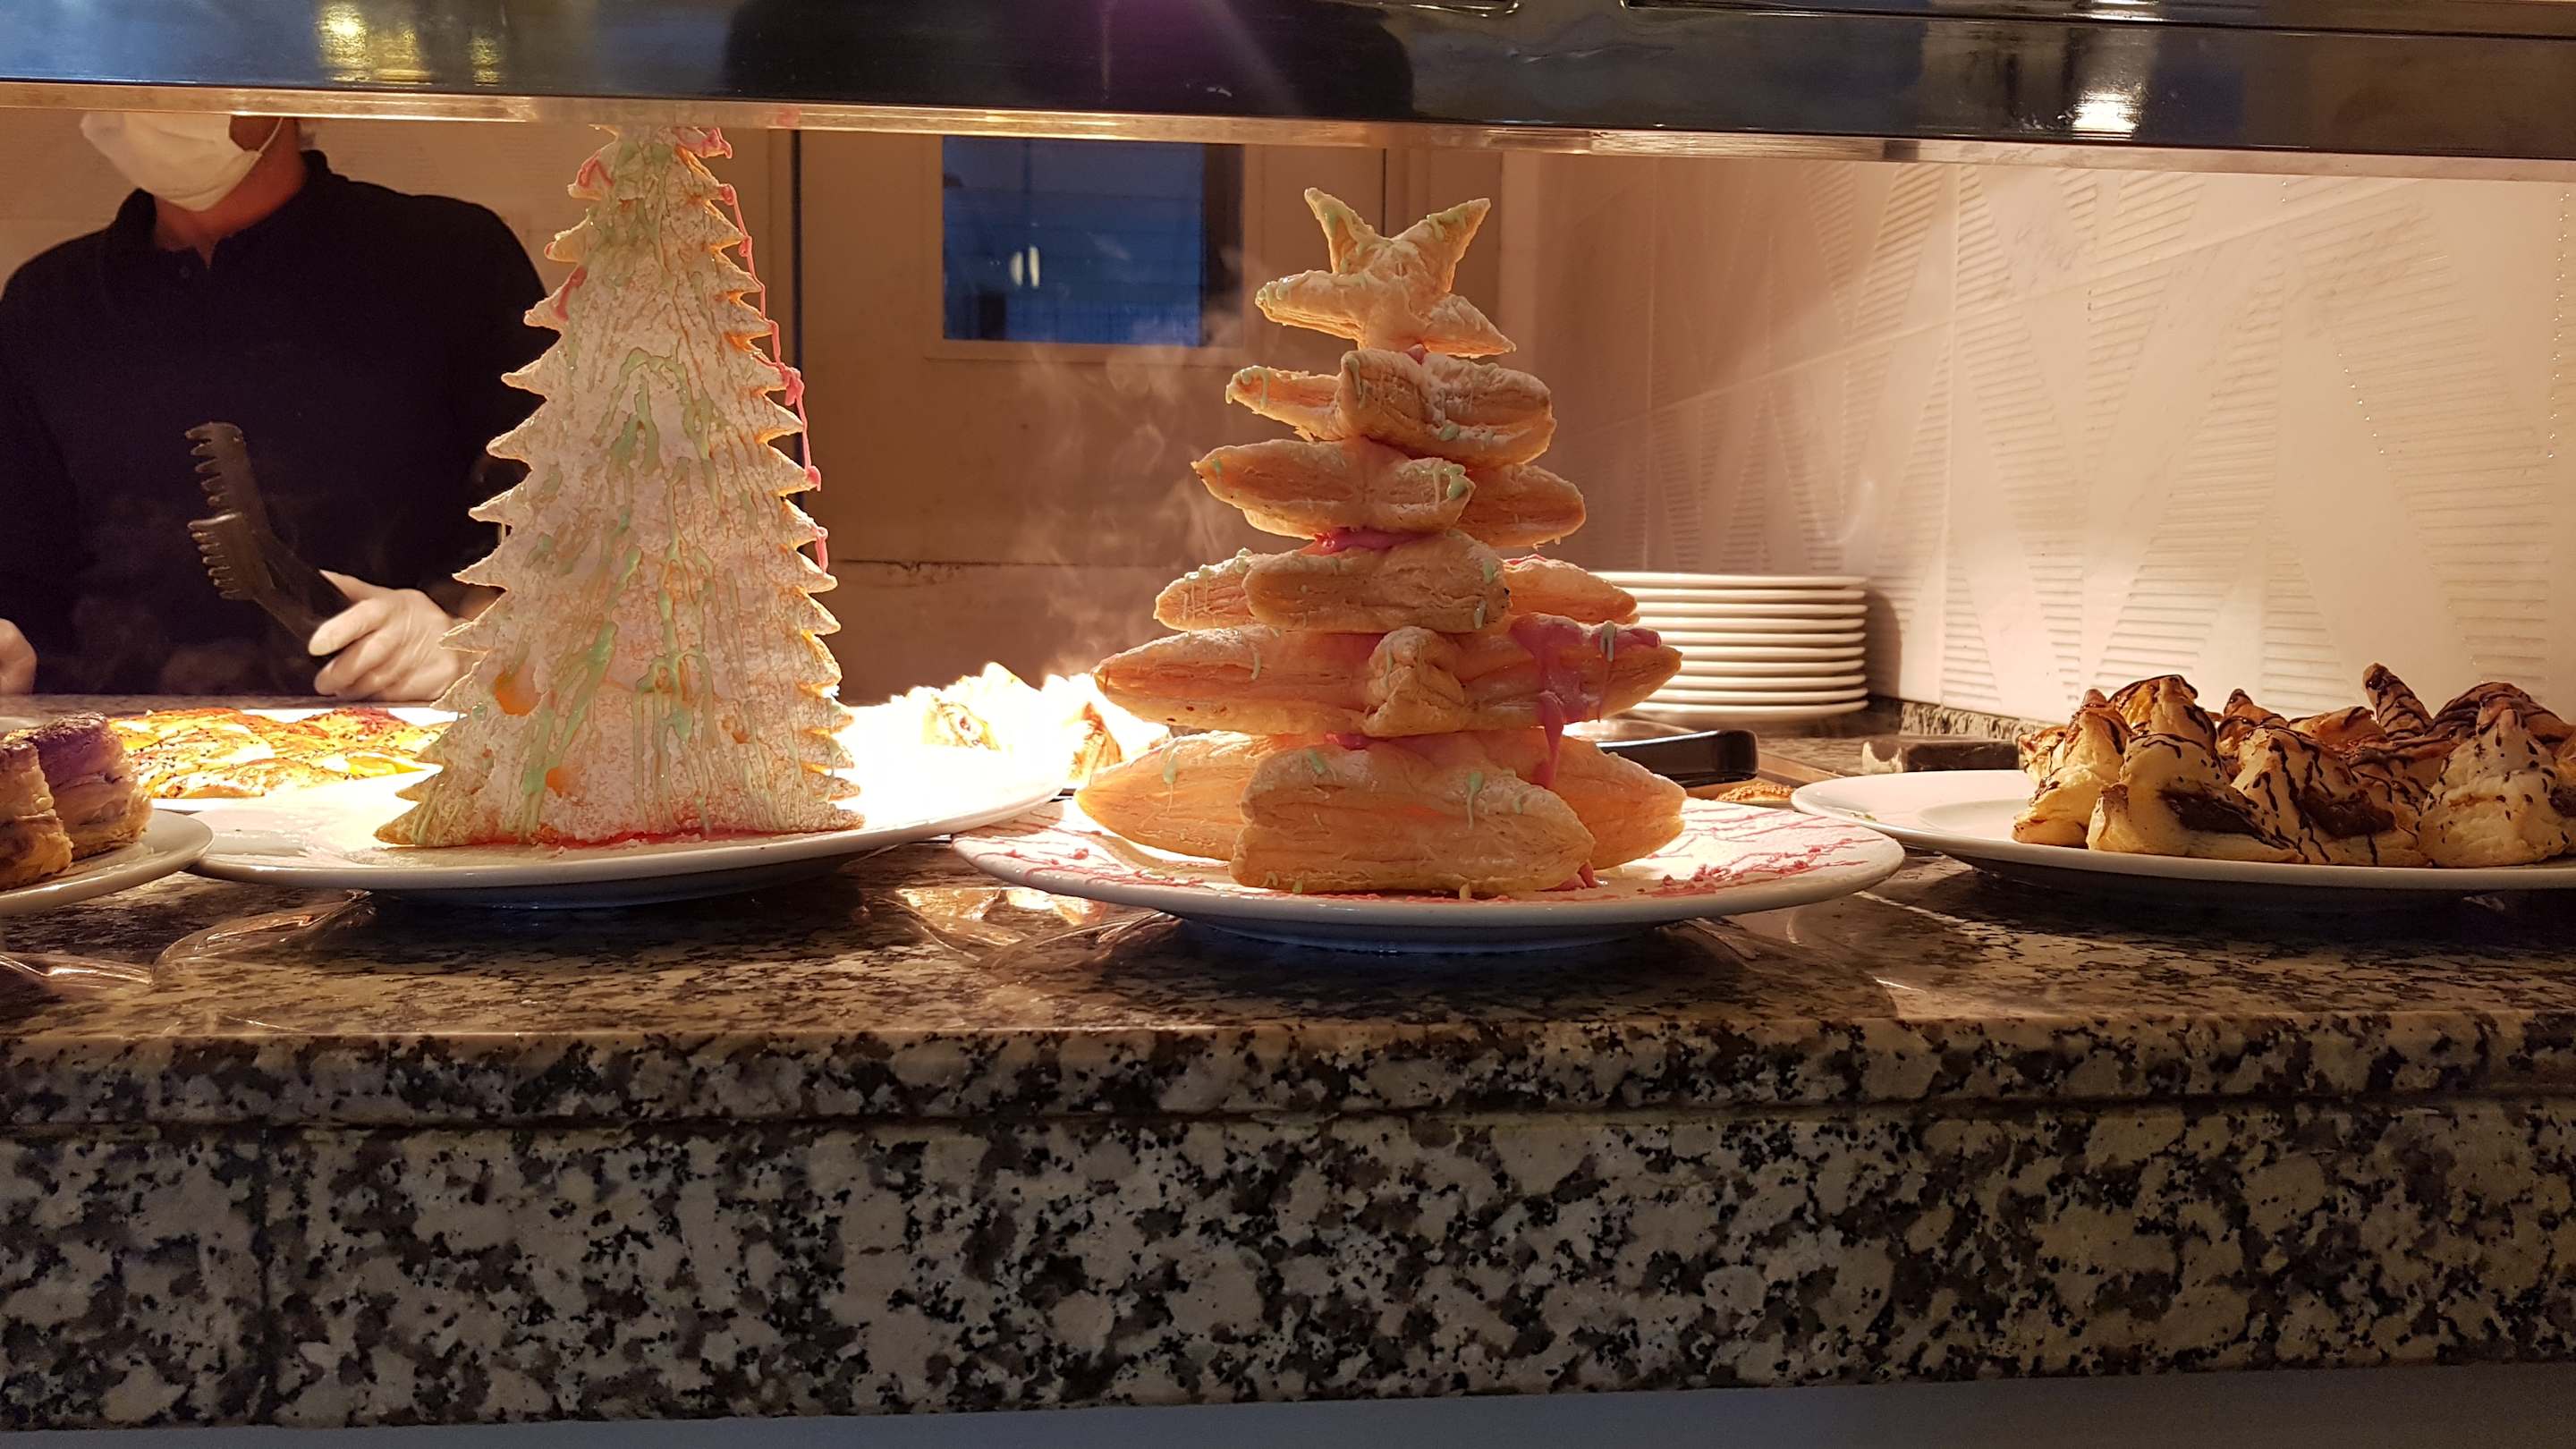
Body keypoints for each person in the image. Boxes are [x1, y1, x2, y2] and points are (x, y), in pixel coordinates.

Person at [0, 111, 547, 699]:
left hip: (399, 732)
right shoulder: (45, 303)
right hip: (112, 740)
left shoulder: (453, 258)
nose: (158, 102)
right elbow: (23, 580)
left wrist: (470, 642)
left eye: (202, 73)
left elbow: (562, 533)